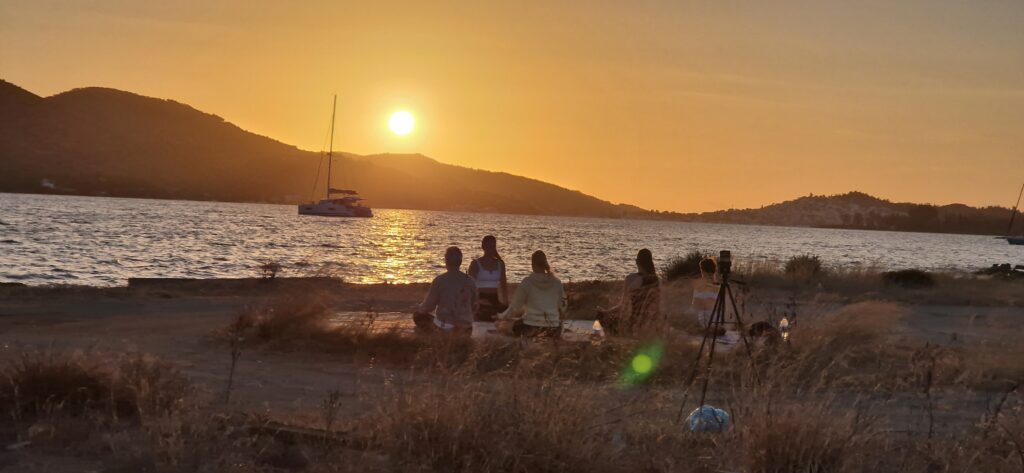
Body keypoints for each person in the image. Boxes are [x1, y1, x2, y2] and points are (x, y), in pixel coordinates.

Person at [497, 250, 566, 338]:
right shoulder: (557, 282)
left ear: (532, 264)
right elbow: (563, 305)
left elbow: (515, 306)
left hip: (531, 327)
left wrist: (501, 316)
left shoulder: (527, 282)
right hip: (554, 328)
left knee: (502, 326)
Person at [412, 246, 478, 335]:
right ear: (460, 261)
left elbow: (428, 307)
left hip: (446, 327)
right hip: (466, 328)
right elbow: (474, 306)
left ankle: (434, 337)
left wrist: (419, 307)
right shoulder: (470, 281)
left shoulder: (440, 280)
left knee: (418, 315)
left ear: (446, 261)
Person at [596, 249, 662, 335]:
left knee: (600, 315)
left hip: (633, 325)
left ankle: (614, 337)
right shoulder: (658, 280)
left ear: (637, 262)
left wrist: (606, 311)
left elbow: (622, 306)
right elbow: (657, 307)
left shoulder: (631, 279)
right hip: (650, 325)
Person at [467, 235, 509, 322]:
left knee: (505, 312)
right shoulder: (475, 263)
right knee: (485, 314)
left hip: (494, 299)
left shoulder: (500, 263)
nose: (491, 249)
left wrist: (506, 302)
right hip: (481, 298)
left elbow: (503, 285)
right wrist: (477, 301)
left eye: (493, 246)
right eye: (489, 246)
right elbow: (469, 286)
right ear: (483, 247)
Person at [692, 257, 719, 328]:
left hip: (705, 322)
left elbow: (695, 305)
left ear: (703, 271)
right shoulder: (719, 287)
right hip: (718, 322)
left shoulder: (699, 287)